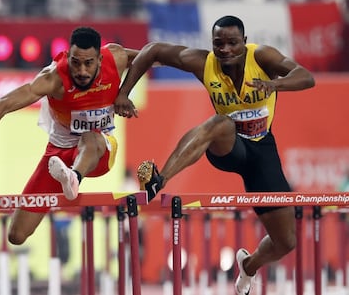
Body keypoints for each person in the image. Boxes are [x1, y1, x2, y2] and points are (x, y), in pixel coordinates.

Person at [115, 15, 315, 295]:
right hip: (229, 146)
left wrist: (274, 85)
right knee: (219, 123)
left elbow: (306, 77)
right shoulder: (203, 62)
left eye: (232, 43)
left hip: (261, 150)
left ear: (244, 43)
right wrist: (124, 92)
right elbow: (153, 50)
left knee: (286, 242)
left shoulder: (262, 57)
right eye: (218, 43)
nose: (225, 49)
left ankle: (249, 265)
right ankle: (160, 180)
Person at [0, 27, 139, 245]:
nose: (82, 71)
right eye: (75, 63)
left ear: (99, 59)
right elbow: (4, 102)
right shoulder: (52, 79)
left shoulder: (116, 57)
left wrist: (125, 92)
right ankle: (68, 176)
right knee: (16, 235)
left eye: (88, 63)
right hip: (57, 157)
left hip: (98, 150)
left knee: (89, 137)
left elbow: (150, 56)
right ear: (68, 58)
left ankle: (74, 178)